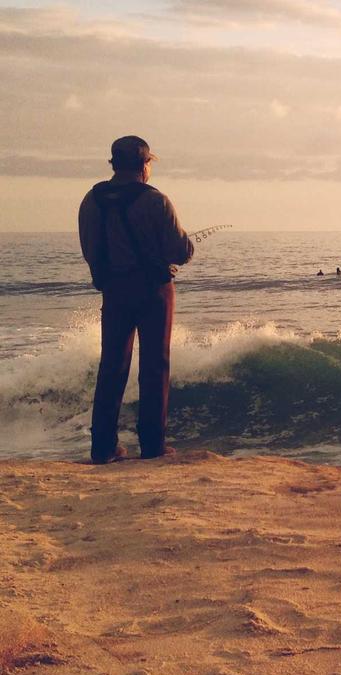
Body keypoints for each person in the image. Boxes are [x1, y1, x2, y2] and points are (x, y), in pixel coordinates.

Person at [78, 136, 193, 464]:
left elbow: (90, 249)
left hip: (114, 291)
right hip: (154, 292)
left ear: (114, 164)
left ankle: (103, 448)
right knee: (155, 366)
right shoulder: (156, 201)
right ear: (144, 165)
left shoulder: (91, 200)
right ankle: (153, 446)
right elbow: (180, 251)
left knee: (111, 366)